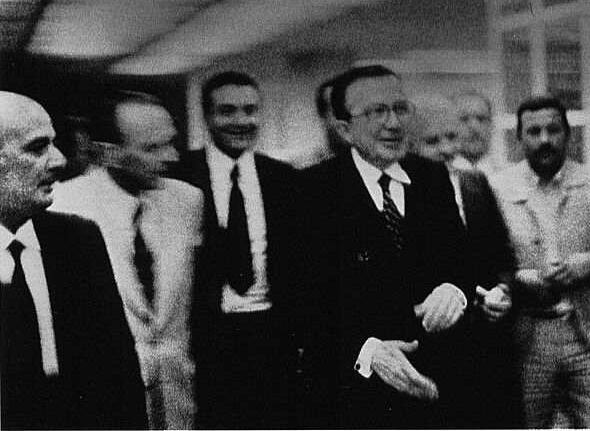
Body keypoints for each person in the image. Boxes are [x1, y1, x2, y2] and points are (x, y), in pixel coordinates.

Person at [300, 65, 473, 428]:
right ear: (344, 128)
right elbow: (302, 304)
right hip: (353, 393)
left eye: (400, 108)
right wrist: (368, 351)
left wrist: (455, 290)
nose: (393, 123)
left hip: (434, 388)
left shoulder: (432, 177)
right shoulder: (310, 191)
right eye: (377, 111)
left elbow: (464, 262)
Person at [51, 92, 202, 429]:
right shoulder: (64, 205)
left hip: (178, 397)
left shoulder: (188, 201)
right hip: (105, 396)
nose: (172, 156)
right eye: (152, 148)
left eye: (171, 143)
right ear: (109, 153)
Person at [0, 91, 147, 430]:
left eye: (54, 144)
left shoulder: (79, 240)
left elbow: (120, 376)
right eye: (37, 148)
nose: (60, 160)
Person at [183, 71, 300, 429]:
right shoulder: (180, 176)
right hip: (207, 338)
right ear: (206, 117)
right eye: (227, 111)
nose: (240, 121)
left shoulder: (284, 178)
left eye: (250, 110)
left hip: (271, 335)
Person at [490, 96, 590, 428]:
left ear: (567, 134)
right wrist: (516, 279)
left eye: (553, 130)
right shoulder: (498, 188)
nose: (545, 139)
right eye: (533, 131)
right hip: (527, 339)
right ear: (519, 137)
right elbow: (486, 258)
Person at [415, 94, 520, 428]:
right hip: (432, 355)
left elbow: (503, 255)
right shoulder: (399, 201)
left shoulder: (474, 184)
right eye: (432, 141)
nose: (447, 149)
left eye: (450, 138)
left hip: (486, 351)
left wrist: (504, 290)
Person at [452, 90, 507, 177]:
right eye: (464, 119)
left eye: (481, 119)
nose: (474, 127)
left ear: (491, 126)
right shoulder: (434, 177)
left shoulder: (508, 176)